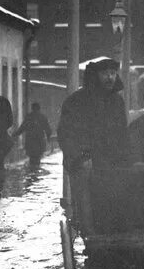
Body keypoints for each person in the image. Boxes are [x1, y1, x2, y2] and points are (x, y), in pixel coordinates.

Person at [56, 59, 131, 232]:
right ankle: (91, 239)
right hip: (85, 164)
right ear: (95, 76)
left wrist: (127, 159)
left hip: (110, 165)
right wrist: (81, 158)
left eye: (113, 73)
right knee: (88, 207)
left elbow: (122, 134)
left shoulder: (117, 102)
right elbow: (66, 134)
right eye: (105, 73)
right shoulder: (77, 101)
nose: (110, 78)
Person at [13, 102, 52, 168]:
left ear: (32, 108)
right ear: (39, 108)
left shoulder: (29, 117)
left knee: (32, 158)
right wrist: (48, 138)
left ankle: (33, 171)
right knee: (37, 158)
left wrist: (15, 134)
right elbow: (48, 129)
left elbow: (22, 127)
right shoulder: (42, 117)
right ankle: (36, 170)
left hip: (30, 141)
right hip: (39, 141)